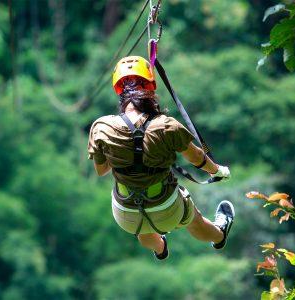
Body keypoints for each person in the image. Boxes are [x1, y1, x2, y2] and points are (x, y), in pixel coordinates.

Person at [88, 56, 235, 260]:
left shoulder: (102, 127)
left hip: (125, 215)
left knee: (143, 228)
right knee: (194, 219)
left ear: (119, 91)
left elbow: (101, 170)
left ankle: (160, 248)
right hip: (166, 208)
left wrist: (123, 151)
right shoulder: (166, 125)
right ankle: (219, 235)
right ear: (151, 89)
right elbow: (196, 158)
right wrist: (217, 171)